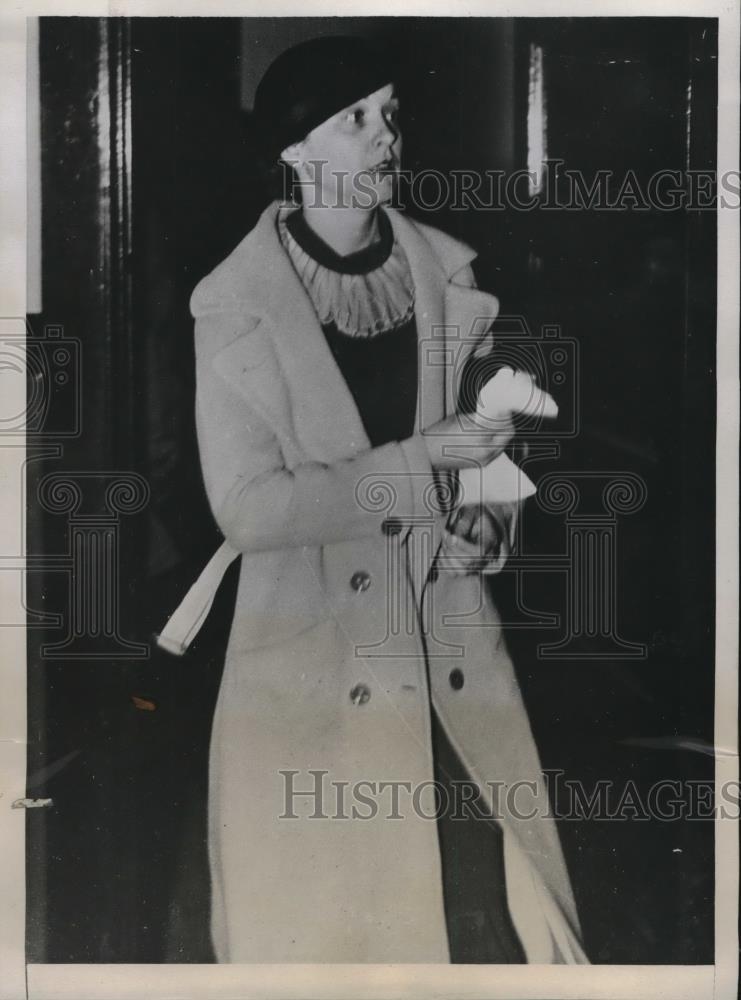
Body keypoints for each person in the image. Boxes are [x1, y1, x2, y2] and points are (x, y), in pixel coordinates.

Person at [158, 35, 588, 965]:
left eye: (388, 112)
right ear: (295, 151)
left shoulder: (448, 277)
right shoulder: (233, 305)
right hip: (308, 661)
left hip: (444, 654)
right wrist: (421, 464)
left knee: (487, 929)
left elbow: (490, 444)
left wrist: (488, 514)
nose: (384, 134)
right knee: (331, 939)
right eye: (355, 117)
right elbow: (248, 509)